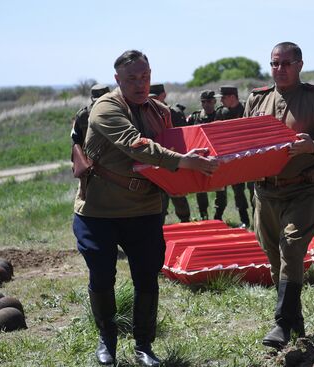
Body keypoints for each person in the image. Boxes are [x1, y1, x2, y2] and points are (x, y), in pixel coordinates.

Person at [73, 50, 218, 366]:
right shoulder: (105, 108)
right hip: (99, 211)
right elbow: (135, 144)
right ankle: (107, 342)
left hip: (145, 208)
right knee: (101, 276)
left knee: (147, 276)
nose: (140, 84)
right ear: (117, 80)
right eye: (131, 79)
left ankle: (143, 346)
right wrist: (182, 161)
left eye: (145, 77)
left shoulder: (159, 110)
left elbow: (183, 137)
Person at [243, 42, 314, 349]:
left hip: (304, 188)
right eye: (275, 63)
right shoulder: (257, 99)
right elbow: (246, 138)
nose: (280, 69)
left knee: (291, 246)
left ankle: (282, 324)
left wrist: (313, 145)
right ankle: (295, 319)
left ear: (299, 65)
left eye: (286, 63)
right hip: (265, 191)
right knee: (274, 255)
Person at [149, 83, 191, 223]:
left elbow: (184, 137)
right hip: (156, 160)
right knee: (159, 199)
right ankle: (159, 227)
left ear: (163, 95)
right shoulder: (145, 112)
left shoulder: (174, 113)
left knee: (178, 195)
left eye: (156, 97)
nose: (153, 100)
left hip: (174, 159)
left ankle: (186, 223)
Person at [214, 85, 253, 228]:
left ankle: (257, 220)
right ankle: (245, 221)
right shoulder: (221, 113)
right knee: (238, 191)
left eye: (223, 98)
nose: (221, 101)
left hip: (248, 157)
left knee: (253, 189)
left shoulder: (246, 110)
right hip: (231, 157)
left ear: (232, 97)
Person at [186, 90, 226, 221]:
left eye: (209, 101)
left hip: (218, 157)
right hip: (202, 157)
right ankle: (204, 217)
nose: (206, 104)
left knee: (221, 189)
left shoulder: (221, 115)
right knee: (201, 189)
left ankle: (218, 217)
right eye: (203, 102)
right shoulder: (195, 117)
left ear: (214, 101)